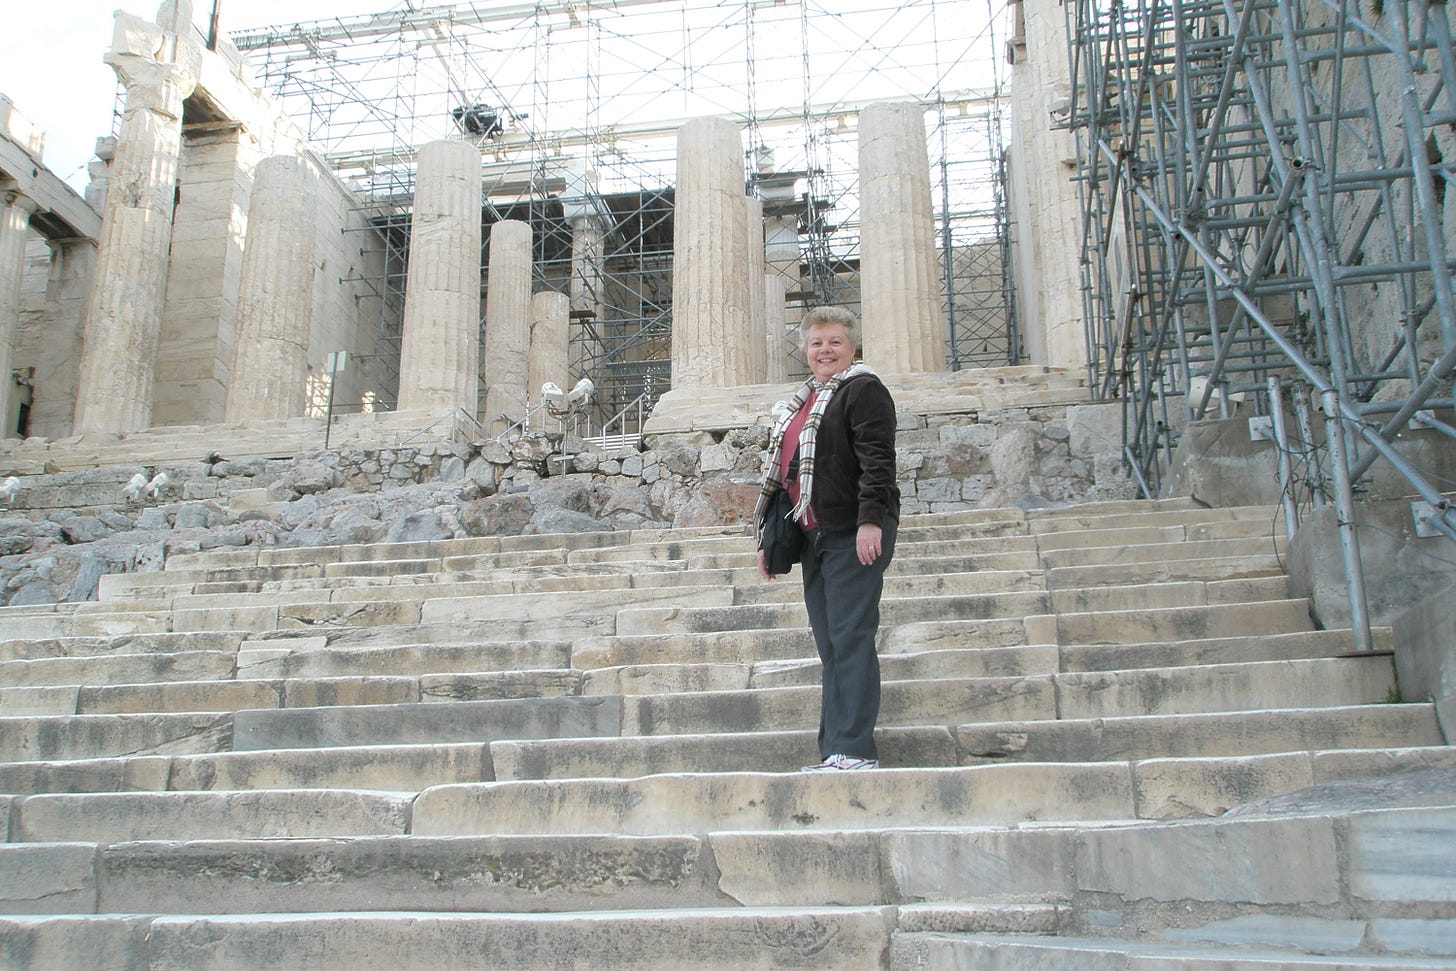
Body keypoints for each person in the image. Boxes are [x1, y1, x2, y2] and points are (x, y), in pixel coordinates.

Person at [753, 305, 899, 771]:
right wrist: (769, 540)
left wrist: (870, 521)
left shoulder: (863, 391)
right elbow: (785, 477)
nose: (825, 350)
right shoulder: (805, 401)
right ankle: (835, 748)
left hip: (853, 531)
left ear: (852, 347)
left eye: (834, 341)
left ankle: (855, 750)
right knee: (831, 643)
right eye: (816, 343)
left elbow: (878, 461)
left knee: (851, 637)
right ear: (805, 350)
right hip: (815, 535)